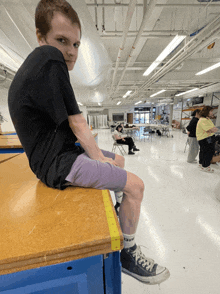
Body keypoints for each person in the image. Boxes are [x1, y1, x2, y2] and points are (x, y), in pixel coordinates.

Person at [8, 0, 170, 285]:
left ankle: (123, 217)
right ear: (40, 37)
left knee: (119, 160)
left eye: (76, 44)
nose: (71, 52)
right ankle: (127, 253)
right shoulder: (48, 58)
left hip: (63, 152)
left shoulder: (39, 68)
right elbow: (77, 122)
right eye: (62, 40)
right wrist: (97, 159)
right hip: (57, 165)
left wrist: (104, 160)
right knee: (136, 185)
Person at [196, 106, 219, 172]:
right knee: (208, 152)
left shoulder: (206, 119)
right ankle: (205, 166)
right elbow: (211, 129)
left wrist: (212, 130)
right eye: (211, 111)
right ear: (207, 112)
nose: (212, 113)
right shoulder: (203, 120)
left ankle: (202, 164)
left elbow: (212, 129)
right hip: (206, 138)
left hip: (205, 138)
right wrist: (213, 129)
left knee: (203, 151)